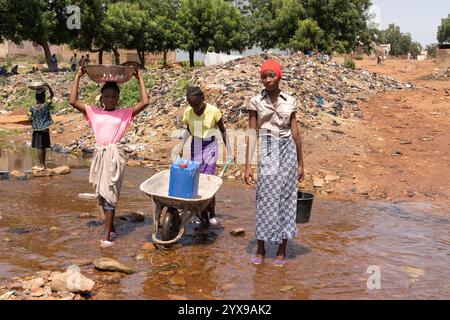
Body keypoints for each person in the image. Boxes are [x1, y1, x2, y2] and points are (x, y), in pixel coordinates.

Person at [69, 67, 149, 248]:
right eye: (107, 97)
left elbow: (145, 102)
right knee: (102, 194)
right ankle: (111, 226)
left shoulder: (124, 113)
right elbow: (73, 101)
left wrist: (140, 79)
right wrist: (77, 76)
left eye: (114, 97)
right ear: (101, 98)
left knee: (110, 194)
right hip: (100, 155)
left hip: (114, 157)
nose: (110, 100)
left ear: (118, 98)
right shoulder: (93, 112)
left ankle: (106, 237)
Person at [245, 59, 304, 267]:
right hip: (268, 150)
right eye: (264, 76)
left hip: (288, 150)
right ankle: (260, 249)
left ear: (279, 76)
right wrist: (248, 166)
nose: (268, 80)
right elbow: (252, 133)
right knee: (265, 199)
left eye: (272, 76)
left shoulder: (290, 101)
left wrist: (300, 163)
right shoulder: (255, 102)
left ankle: (281, 249)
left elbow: (296, 133)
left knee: (286, 200)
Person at [177, 86, 233, 226]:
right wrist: (181, 146)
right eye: (191, 105)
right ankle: (198, 212)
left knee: (208, 180)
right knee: (195, 179)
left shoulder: (214, 112)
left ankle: (212, 213)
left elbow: (223, 131)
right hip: (195, 145)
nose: (195, 108)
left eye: (197, 105)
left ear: (203, 99)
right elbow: (189, 129)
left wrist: (230, 151)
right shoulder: (188, 112)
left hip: (209, 146)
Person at [28, 84, 54, 170]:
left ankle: (41, 165)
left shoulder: (32, 108)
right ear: (43, 97)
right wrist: (48, 86)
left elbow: (29, 118)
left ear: (36, 98)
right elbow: (52, 95)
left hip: (37, 130)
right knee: (43, 147)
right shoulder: (46, 105)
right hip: (45, 129)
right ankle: (43, 165)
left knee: (39, 147)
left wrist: (31, 118)